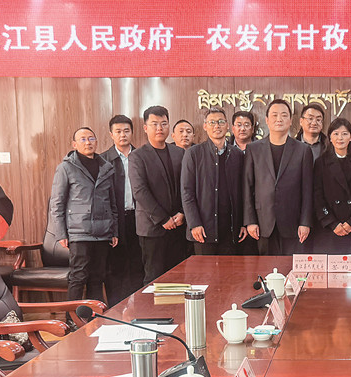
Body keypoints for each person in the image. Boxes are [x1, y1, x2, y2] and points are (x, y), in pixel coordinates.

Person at [48, 127, 118, 301]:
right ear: (74, 144)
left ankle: (94, 315)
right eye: (83, 139)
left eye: (91, 139)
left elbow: (112, 203)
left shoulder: (106, 167)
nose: (88, 143)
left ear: (96, 142)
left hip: (103, 233)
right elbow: (57, 203)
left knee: (97, 278)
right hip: (79, 232)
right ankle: (72, 316)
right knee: (78, 276)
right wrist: (61, 233)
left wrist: (114, 231)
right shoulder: (66, 168)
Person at [244, 99, 314, 255]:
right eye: (274, 115)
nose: (279, 119)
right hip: (263, 223)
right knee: (265, 267)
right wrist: (250, 221)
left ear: (290, 120)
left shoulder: (303, 150)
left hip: (293, 224)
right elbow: (248, 187)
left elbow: (308, 190)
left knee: (291, 268)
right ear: (267, 120)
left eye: (284, 115)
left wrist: (305, 222)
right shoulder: (253, 149)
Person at [129, 105, 186, 284]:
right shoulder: (137, 156)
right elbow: (140, 191)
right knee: (154, 278)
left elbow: (186, 186)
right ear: (146, 128)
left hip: (178, 225)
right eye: (154, 124)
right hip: (152, 228)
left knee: (178, 277)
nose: (159, 128)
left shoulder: (179, 153)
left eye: (164, 123)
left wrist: (182, 212)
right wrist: (163, 219)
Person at [181, 108, 247, 255]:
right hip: (203, 230)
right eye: (212, 122)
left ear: (227, 126)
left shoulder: (237, 154)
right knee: (205, 270)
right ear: (205, 126)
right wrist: (194, 223)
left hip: (231, 230)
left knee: (230, 269)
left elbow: (243, 192)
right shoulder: (193, 154)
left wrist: (244, 223)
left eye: (221, 122)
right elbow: (187, 192)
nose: (217, 126)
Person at [100, 114, 144, 306]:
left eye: (126, 131)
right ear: (111, 134)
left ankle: (138, 308)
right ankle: (116, 310)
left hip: (139, 217)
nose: (123, 135)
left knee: (138, 264)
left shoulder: (141, 156)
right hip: (115, 219)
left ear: (132, 132)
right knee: (115, 267)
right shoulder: (103, 160)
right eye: (118, 131)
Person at [313, 118, 351, 254]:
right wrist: (332, 223)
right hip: (329, 228)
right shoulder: (321, 162)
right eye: (336, 134)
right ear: (330, 137)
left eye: (344, 134)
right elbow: (317, 196)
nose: (340, 138)